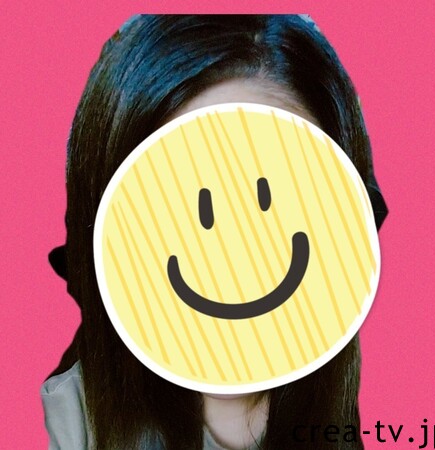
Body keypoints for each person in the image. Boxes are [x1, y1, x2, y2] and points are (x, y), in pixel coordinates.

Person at [42, 14, 388, 450]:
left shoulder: (395, 386)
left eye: (279, 204)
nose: (232, 263)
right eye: (177, 207)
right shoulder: (65, 419)